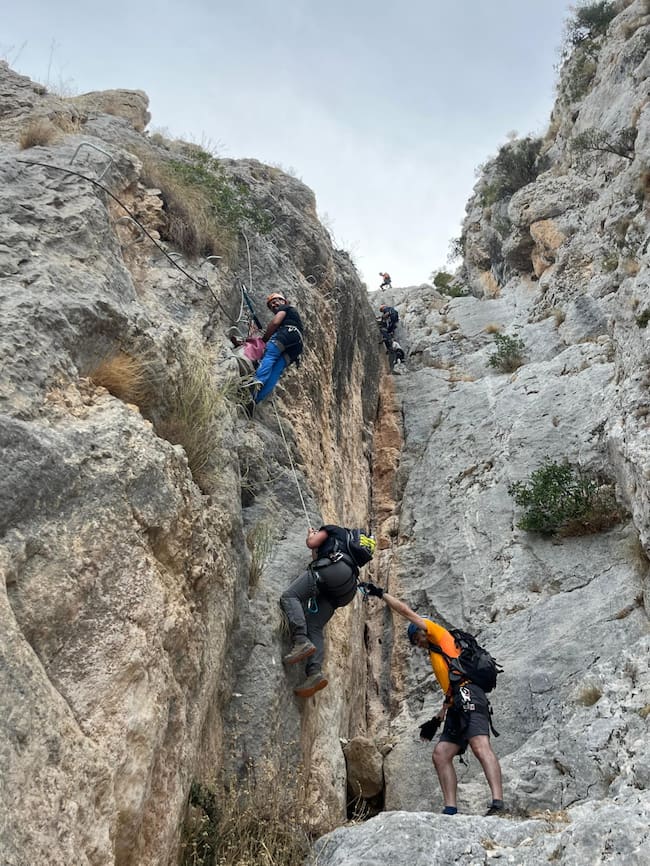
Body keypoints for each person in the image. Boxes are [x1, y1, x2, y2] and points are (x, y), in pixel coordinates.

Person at [360, 582, 505, 816]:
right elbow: (451, 686)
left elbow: (406, 612)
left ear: (421, 631)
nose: (416, 644)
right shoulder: (437, 654)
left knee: (479, 745)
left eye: (415, 638)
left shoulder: (438, 634)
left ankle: (498, 802)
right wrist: (438, 717)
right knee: (441, 754)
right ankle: (450, 809)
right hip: (457, 701)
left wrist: (381, 594)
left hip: (470, 694)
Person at [281, 525, 366, 698]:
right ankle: (314, 672)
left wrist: (310, 536)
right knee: (314, 625)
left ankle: (301, 640)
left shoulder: (332, 529)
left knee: (290, 596)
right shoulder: (348, 547)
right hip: (347, 587)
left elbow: (312, 544)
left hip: (334, 570)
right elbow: (317, 556)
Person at [251, 292, 304, 404]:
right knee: (276, 370)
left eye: (275, 302)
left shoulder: (286, 308)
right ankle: (255, 399)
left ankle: (256, 382)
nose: (273, 305)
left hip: (287, 334)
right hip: (296, 346)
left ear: (283, 301)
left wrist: (264, 339)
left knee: (269, 355)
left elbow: (275, 322)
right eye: (271, 305)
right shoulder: (293, 316)